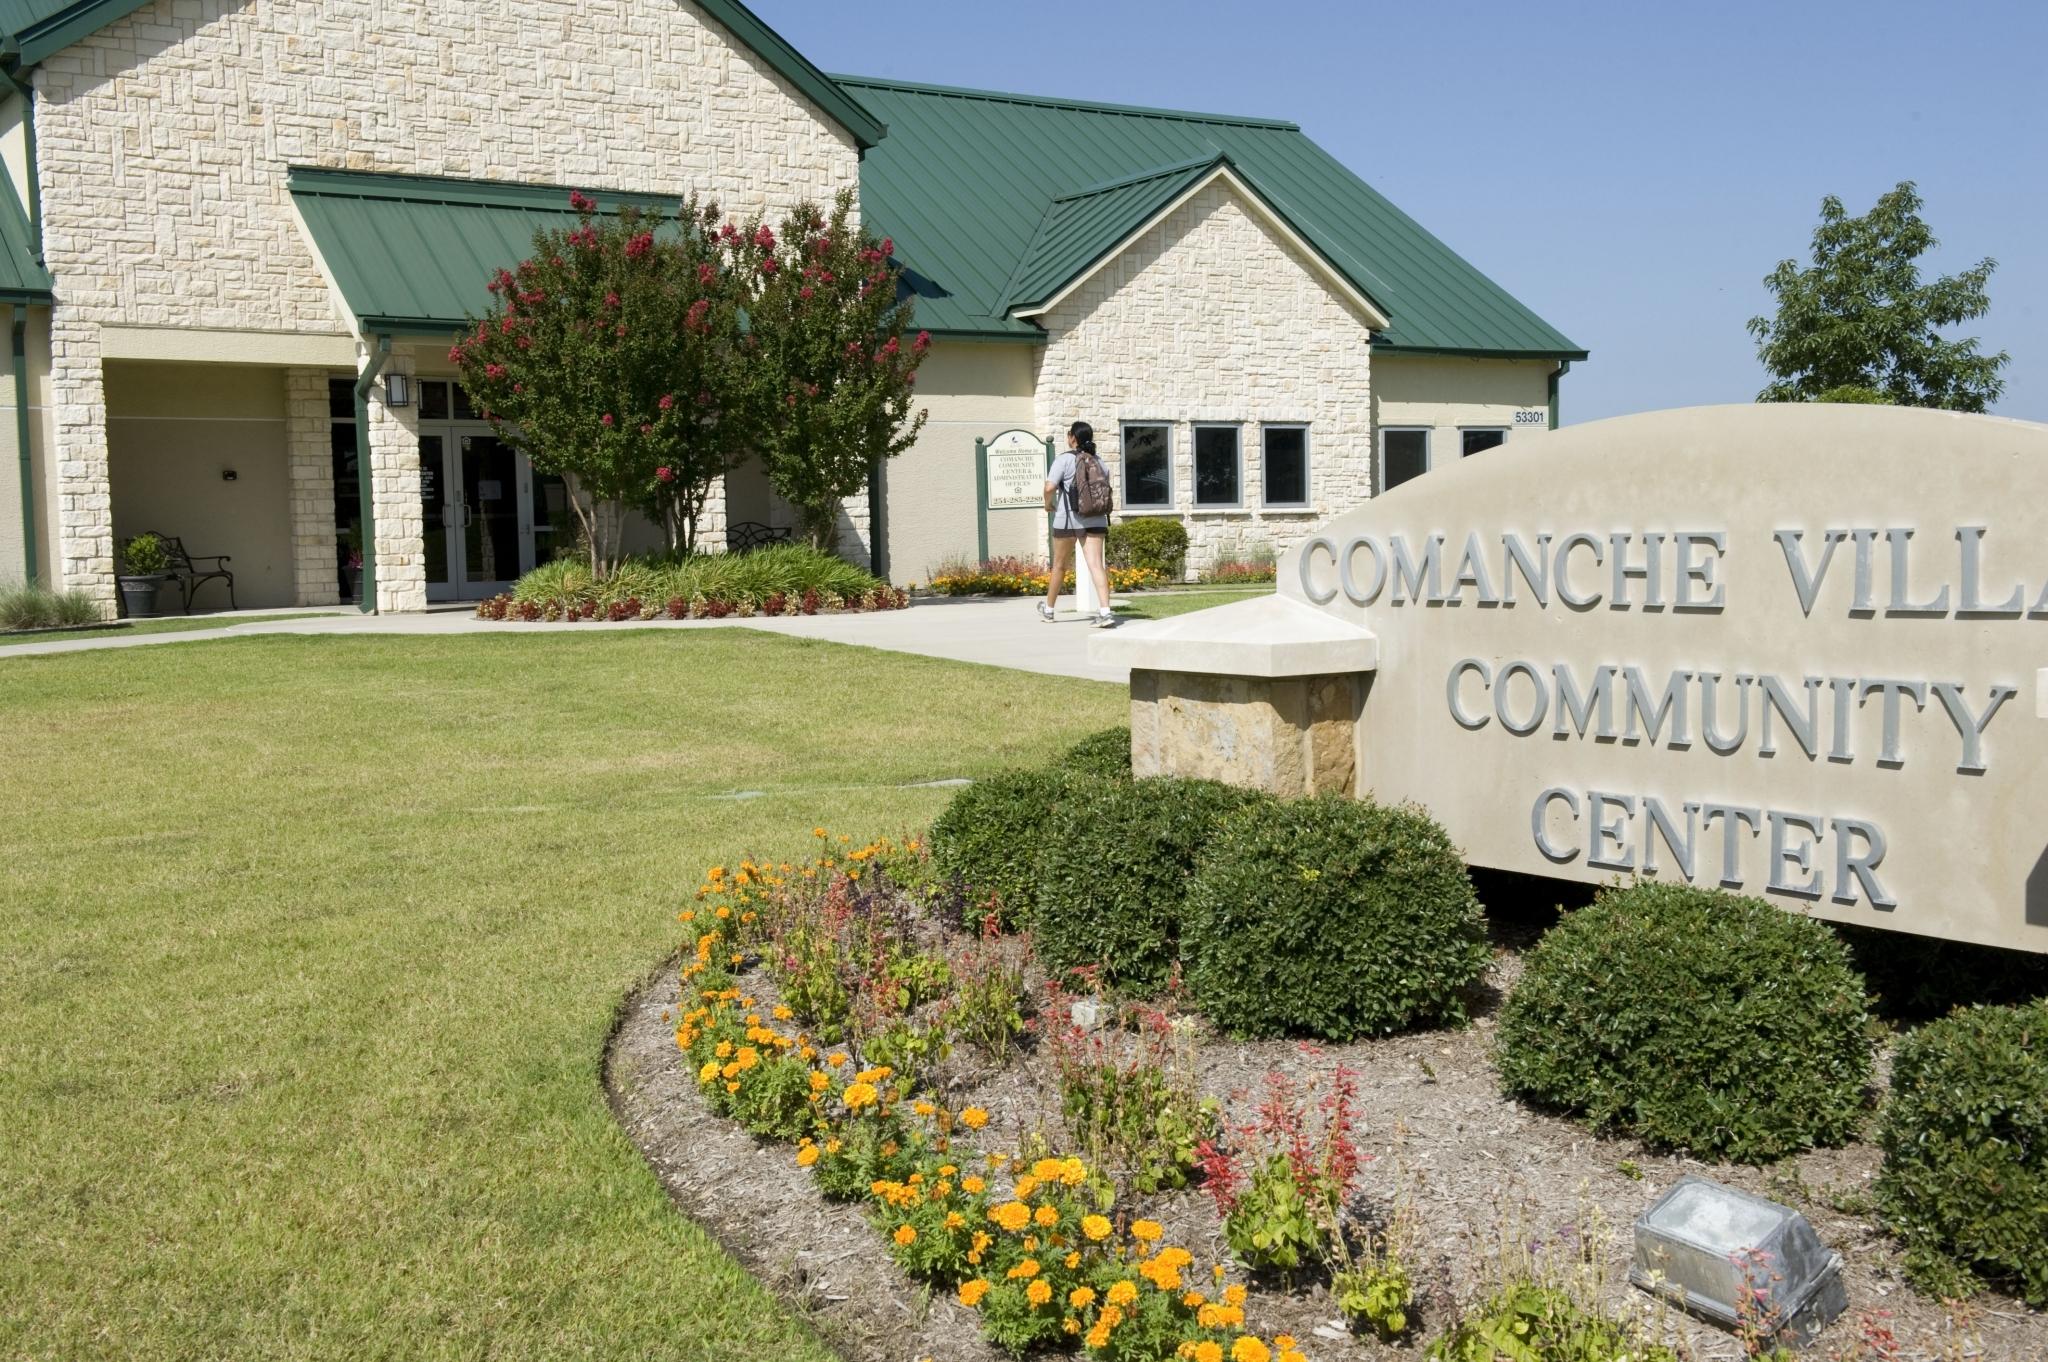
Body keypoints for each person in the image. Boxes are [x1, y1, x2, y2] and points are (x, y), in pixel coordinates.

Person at [1041, 421, 1117, 627]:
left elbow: (1049, 488)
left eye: (1068, 434)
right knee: (1096, 565)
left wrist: (1048, 505)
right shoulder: (1100, 462)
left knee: (1059, 566)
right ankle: (1105, 612)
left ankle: (1048, 610)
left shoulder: (1064, 459)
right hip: (1096, 518)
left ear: (1073, 438)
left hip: (1068, 519)